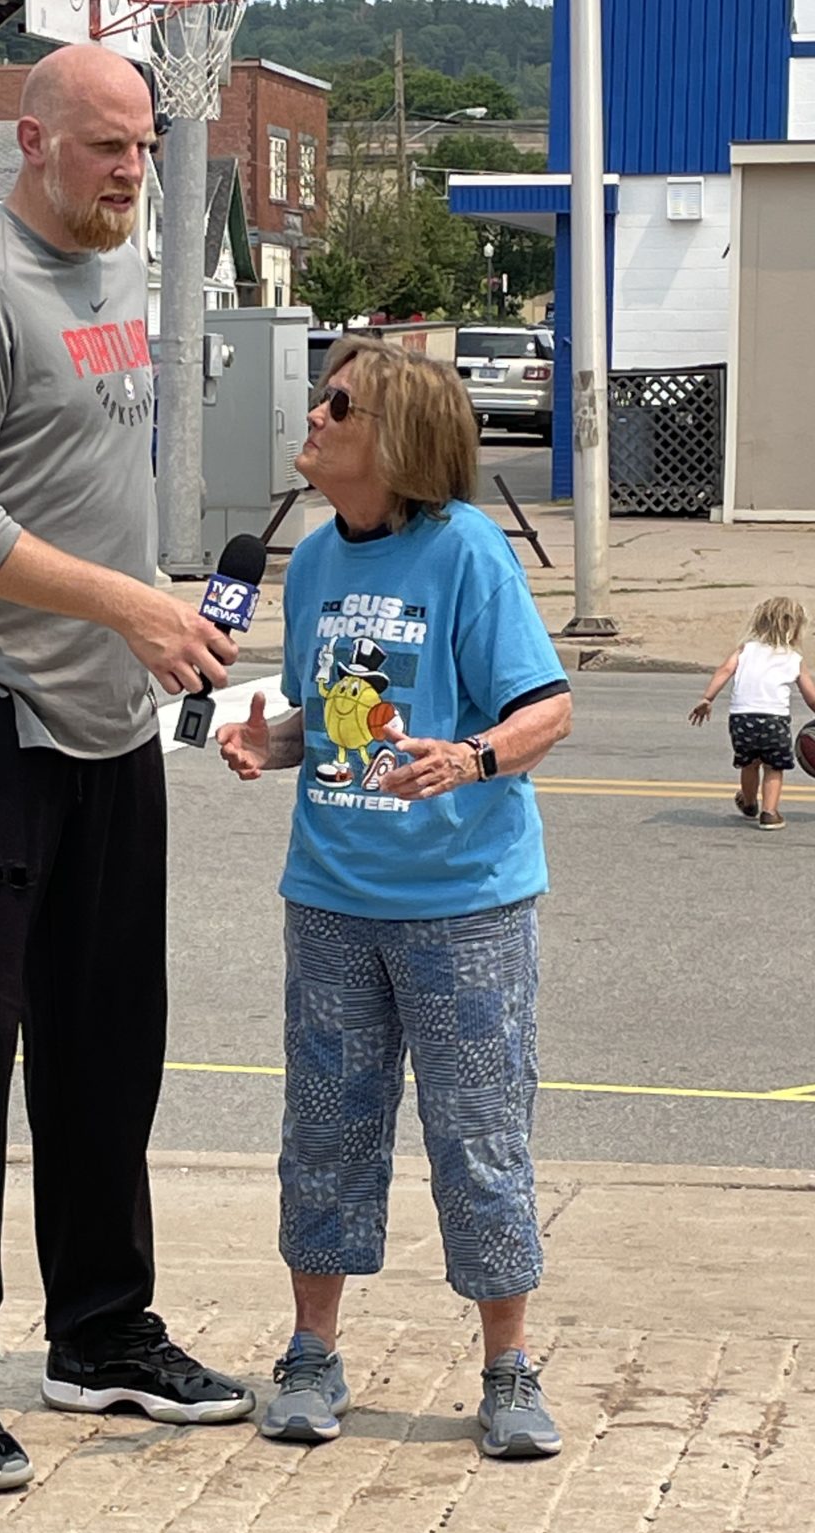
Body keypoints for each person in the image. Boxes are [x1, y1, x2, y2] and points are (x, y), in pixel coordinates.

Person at [0, 43, 255, 1494]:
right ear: (31, 140)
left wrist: (170, 636)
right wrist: (132, 605)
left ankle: (101, 1332)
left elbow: (91, 491)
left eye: (145, 151)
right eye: (107, 149)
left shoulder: (118, 269)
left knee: (110, 1050)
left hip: (109, 711)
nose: (132, 174)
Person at [217, 338, 572, 1460]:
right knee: (323, 1132)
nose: (313, 413)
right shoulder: (316, 560)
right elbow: (339, 728)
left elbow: (547, 711)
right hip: (329, 896)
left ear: (396, 439)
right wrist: (266, 743)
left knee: (478, 1136)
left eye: (338, 402)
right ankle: (312, 1354)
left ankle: (507, 1368)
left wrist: (468, 759)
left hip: (465, 906)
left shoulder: (467, 552)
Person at [688, 596, 815, 830]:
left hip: (742, 719)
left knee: (749, 763)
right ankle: (769, 812)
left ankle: (748, 804)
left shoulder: (745, 650)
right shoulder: (794, 659)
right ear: (796, 628)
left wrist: (707, 698)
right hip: (774, 721)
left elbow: (724, 670)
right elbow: (811, 697)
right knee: (773, 767)